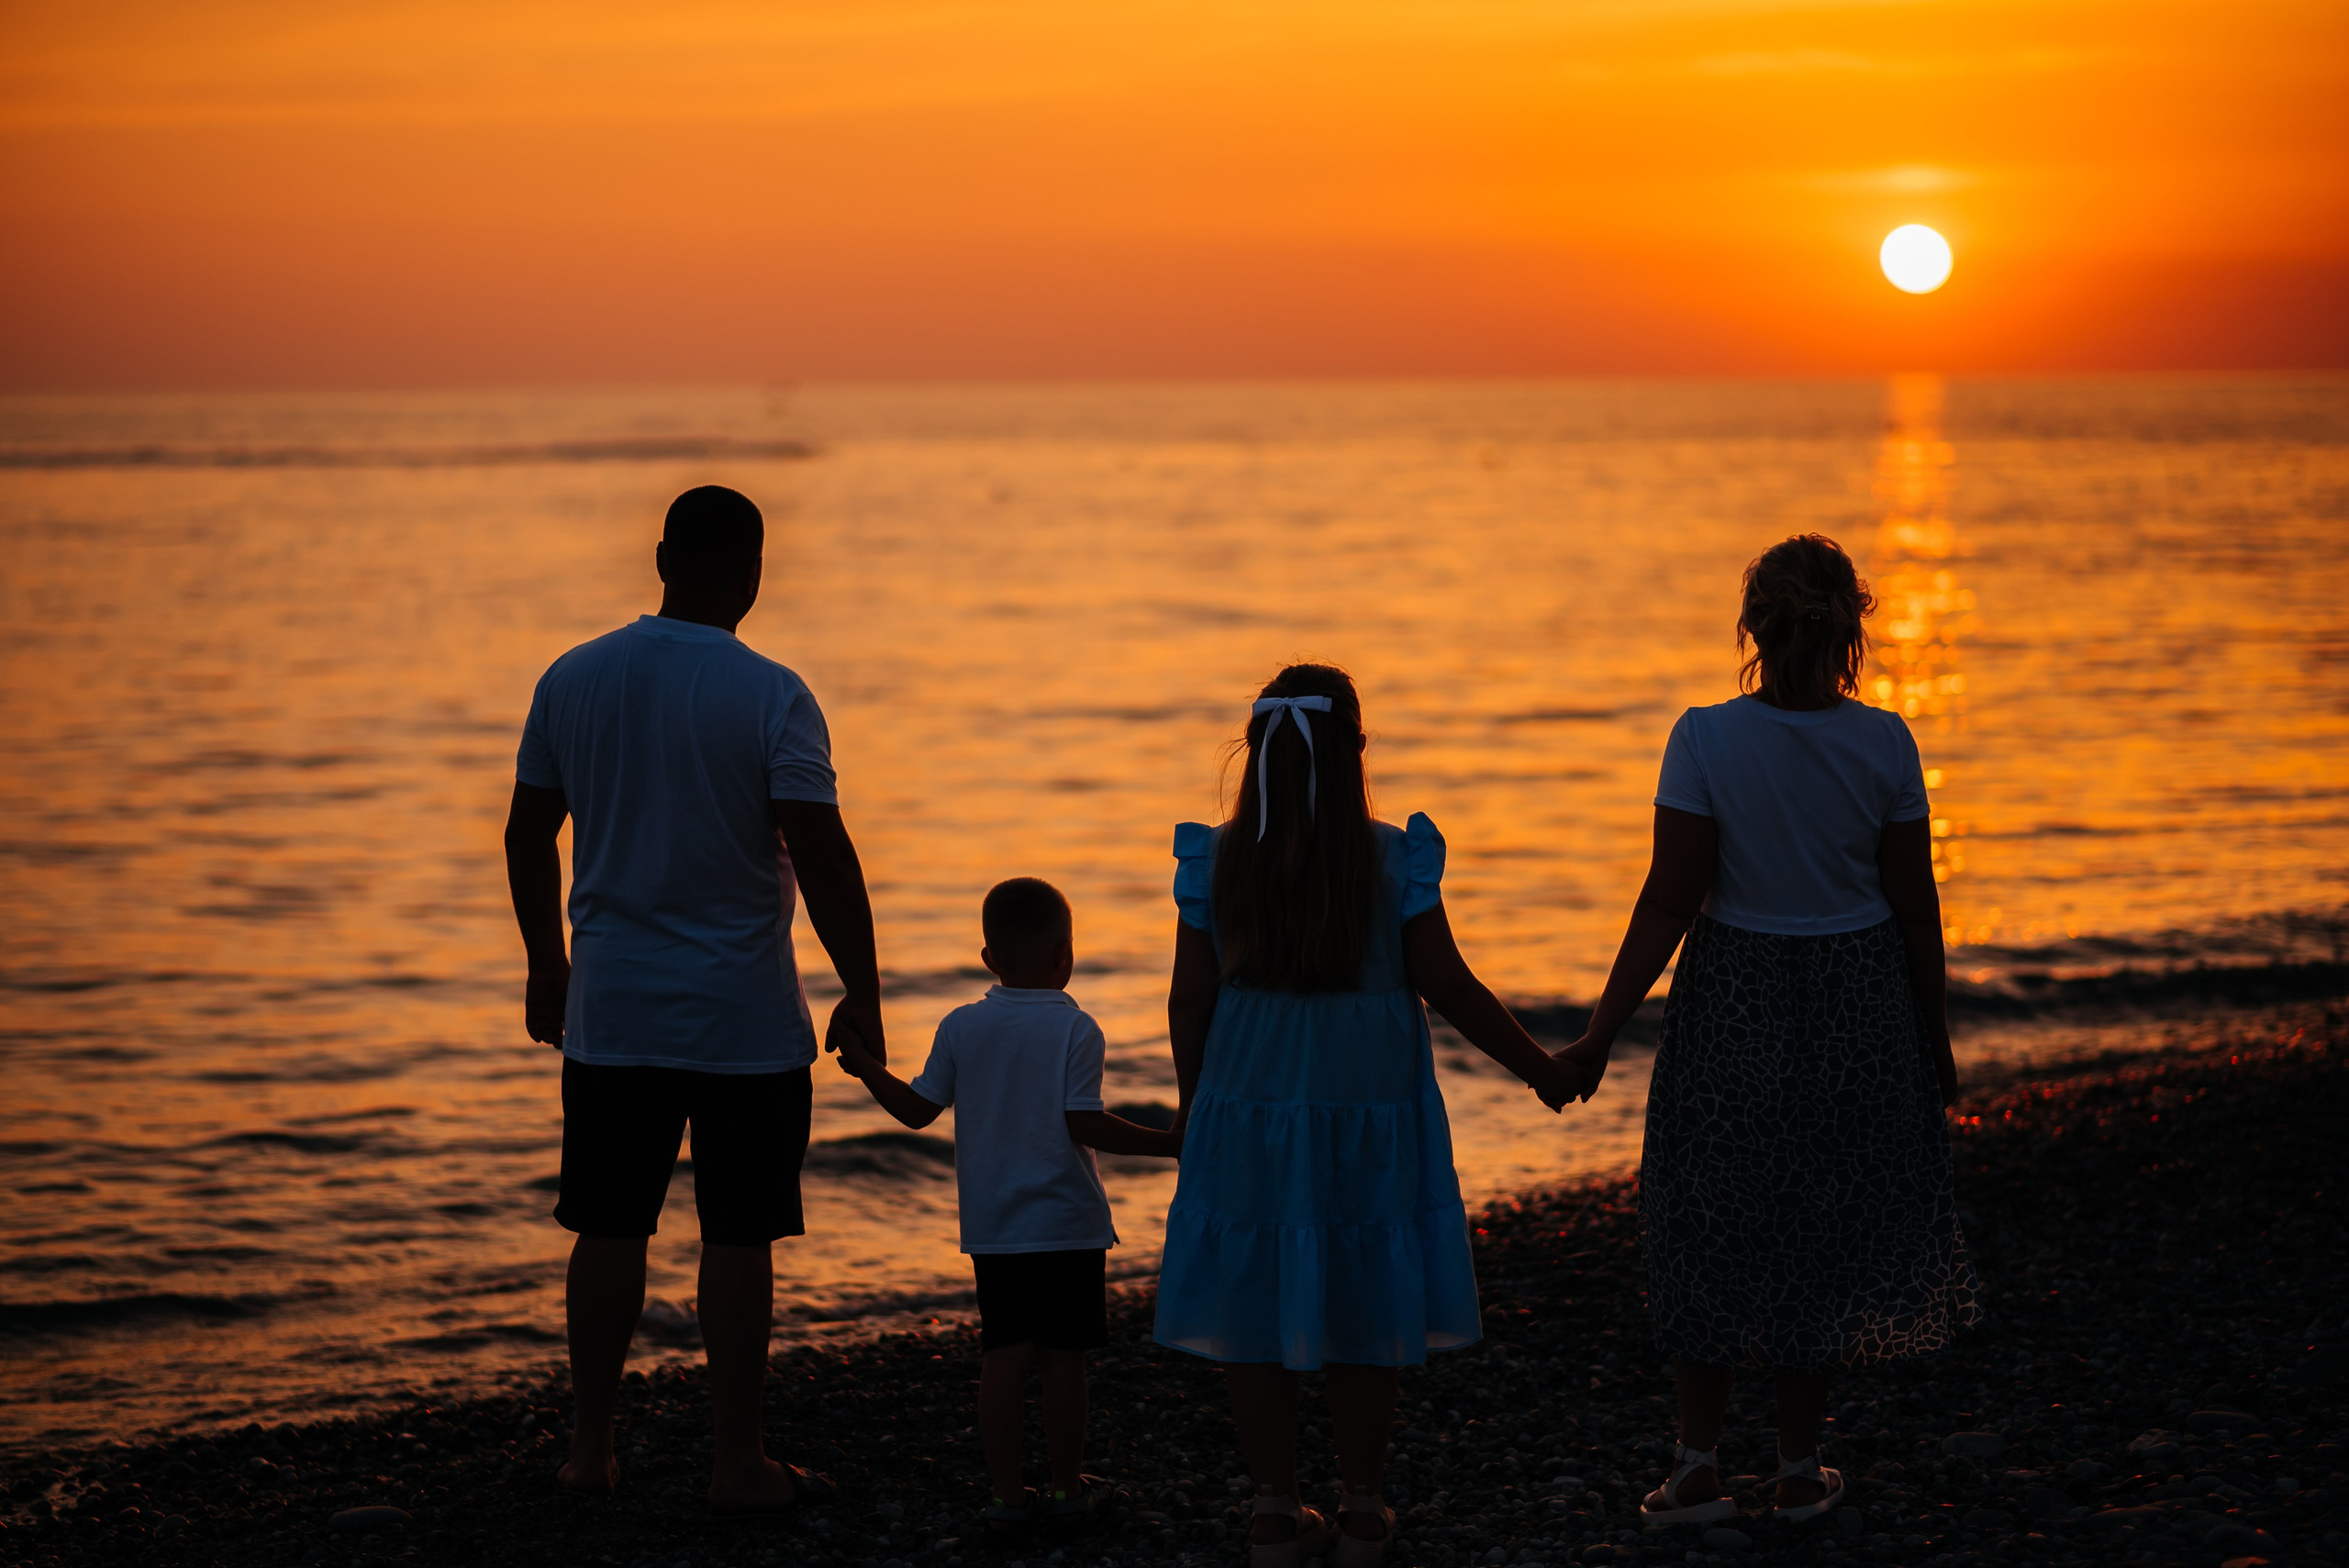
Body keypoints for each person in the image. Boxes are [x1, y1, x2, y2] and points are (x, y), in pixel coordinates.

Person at [1556, 533, 1979, 1528]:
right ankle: (1795, 1467)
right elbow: (1915, 908)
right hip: (1857, 1002)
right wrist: (1936, 1037)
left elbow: (1670, 900)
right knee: (1818, 1229)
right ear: (1851, 631)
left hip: (1733, 997)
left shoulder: (1704, 737)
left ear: (1751, 627)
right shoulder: (1887, 742)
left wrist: (1597, 1034)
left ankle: (1696, 1465)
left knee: (1710, 1220)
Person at [504, 484, 885, 1513]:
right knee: (738, 1235)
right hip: (744, 1020)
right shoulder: (773, 694)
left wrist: (546, 962)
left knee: (607, 1226)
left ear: (663, 557)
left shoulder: (574, 675)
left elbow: (528, 831)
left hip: (614, 1011)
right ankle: (736, 1462)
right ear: (753, 574)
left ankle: (590, 1451)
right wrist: (863, 989)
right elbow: (822, 853)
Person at [1153, 664, 1586, 1568]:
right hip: (1368, 1109)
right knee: (1362, 1292)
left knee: (1253, 1300)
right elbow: (1449, 987)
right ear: (1354, 751)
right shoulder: (1392, 859)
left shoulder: (1220, 861)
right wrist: (1541, 1068)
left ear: (1255, 754)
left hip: (1248, 1109)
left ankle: (1274, 1512)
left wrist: (1197, 1107)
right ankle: (1358, 1508)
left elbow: (1189, 999)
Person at [832, 877, 1182, 1544]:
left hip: (995, 1229)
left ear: (989, 957)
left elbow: (917, 1110)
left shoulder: (961, 1025)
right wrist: (1168, 1145)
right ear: (1064, 953)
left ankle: (1005, 1496)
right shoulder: (1076, 1027)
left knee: (1004, 1357)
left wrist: (866, 1064)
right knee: (1063, 1361)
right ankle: (1067, 1490)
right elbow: (1084, 1122)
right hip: (1068, 1226)